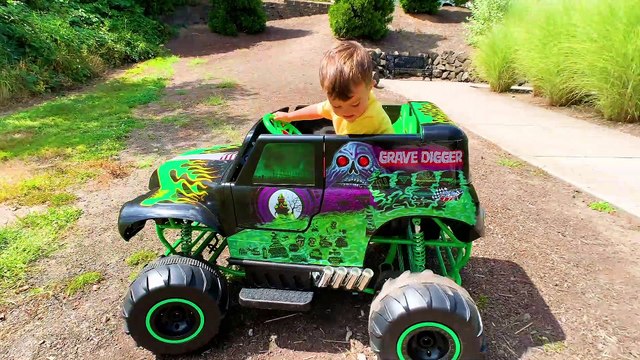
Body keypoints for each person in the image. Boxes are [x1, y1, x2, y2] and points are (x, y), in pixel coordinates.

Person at [273, 41, 394, 135]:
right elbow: (318, 110)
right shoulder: (358, 95)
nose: (346, 112)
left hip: (382, 156)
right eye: (337, 106)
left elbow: (344, 149)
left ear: (370, 88)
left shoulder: (368, 120)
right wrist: (290, 117)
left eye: (355, 104)